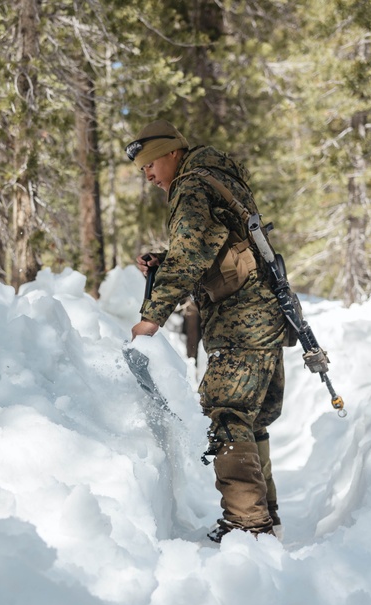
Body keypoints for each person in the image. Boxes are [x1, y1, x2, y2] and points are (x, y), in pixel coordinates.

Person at [125, 119, 287, 541]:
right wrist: (167, 260)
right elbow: (216, 246)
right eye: (142, 169)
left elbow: (192, 251)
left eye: (150, 163)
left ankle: (248, 526)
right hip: (264, 313)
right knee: (249, 420)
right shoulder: (216, 176)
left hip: (244, 320)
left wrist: (152, 315)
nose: (148, 174)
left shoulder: (191, 185)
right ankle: (266, 518)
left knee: (228, 411)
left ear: (172, 152)